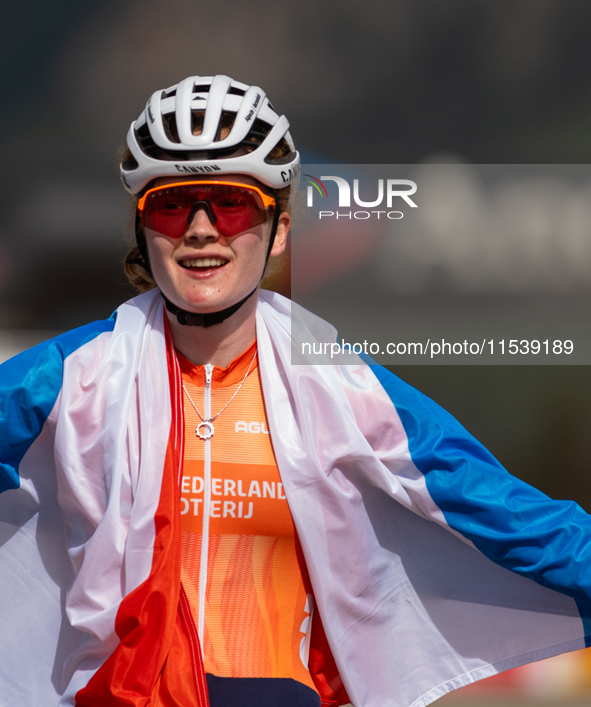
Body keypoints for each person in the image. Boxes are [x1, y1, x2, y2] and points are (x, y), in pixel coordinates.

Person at [1, 74, 591, 707]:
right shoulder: (69, 378)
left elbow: (514, 518)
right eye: (173, 205)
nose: (201, 229)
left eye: (230, 205)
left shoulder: (345, 389)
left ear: (278, 231)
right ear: (144, 230)